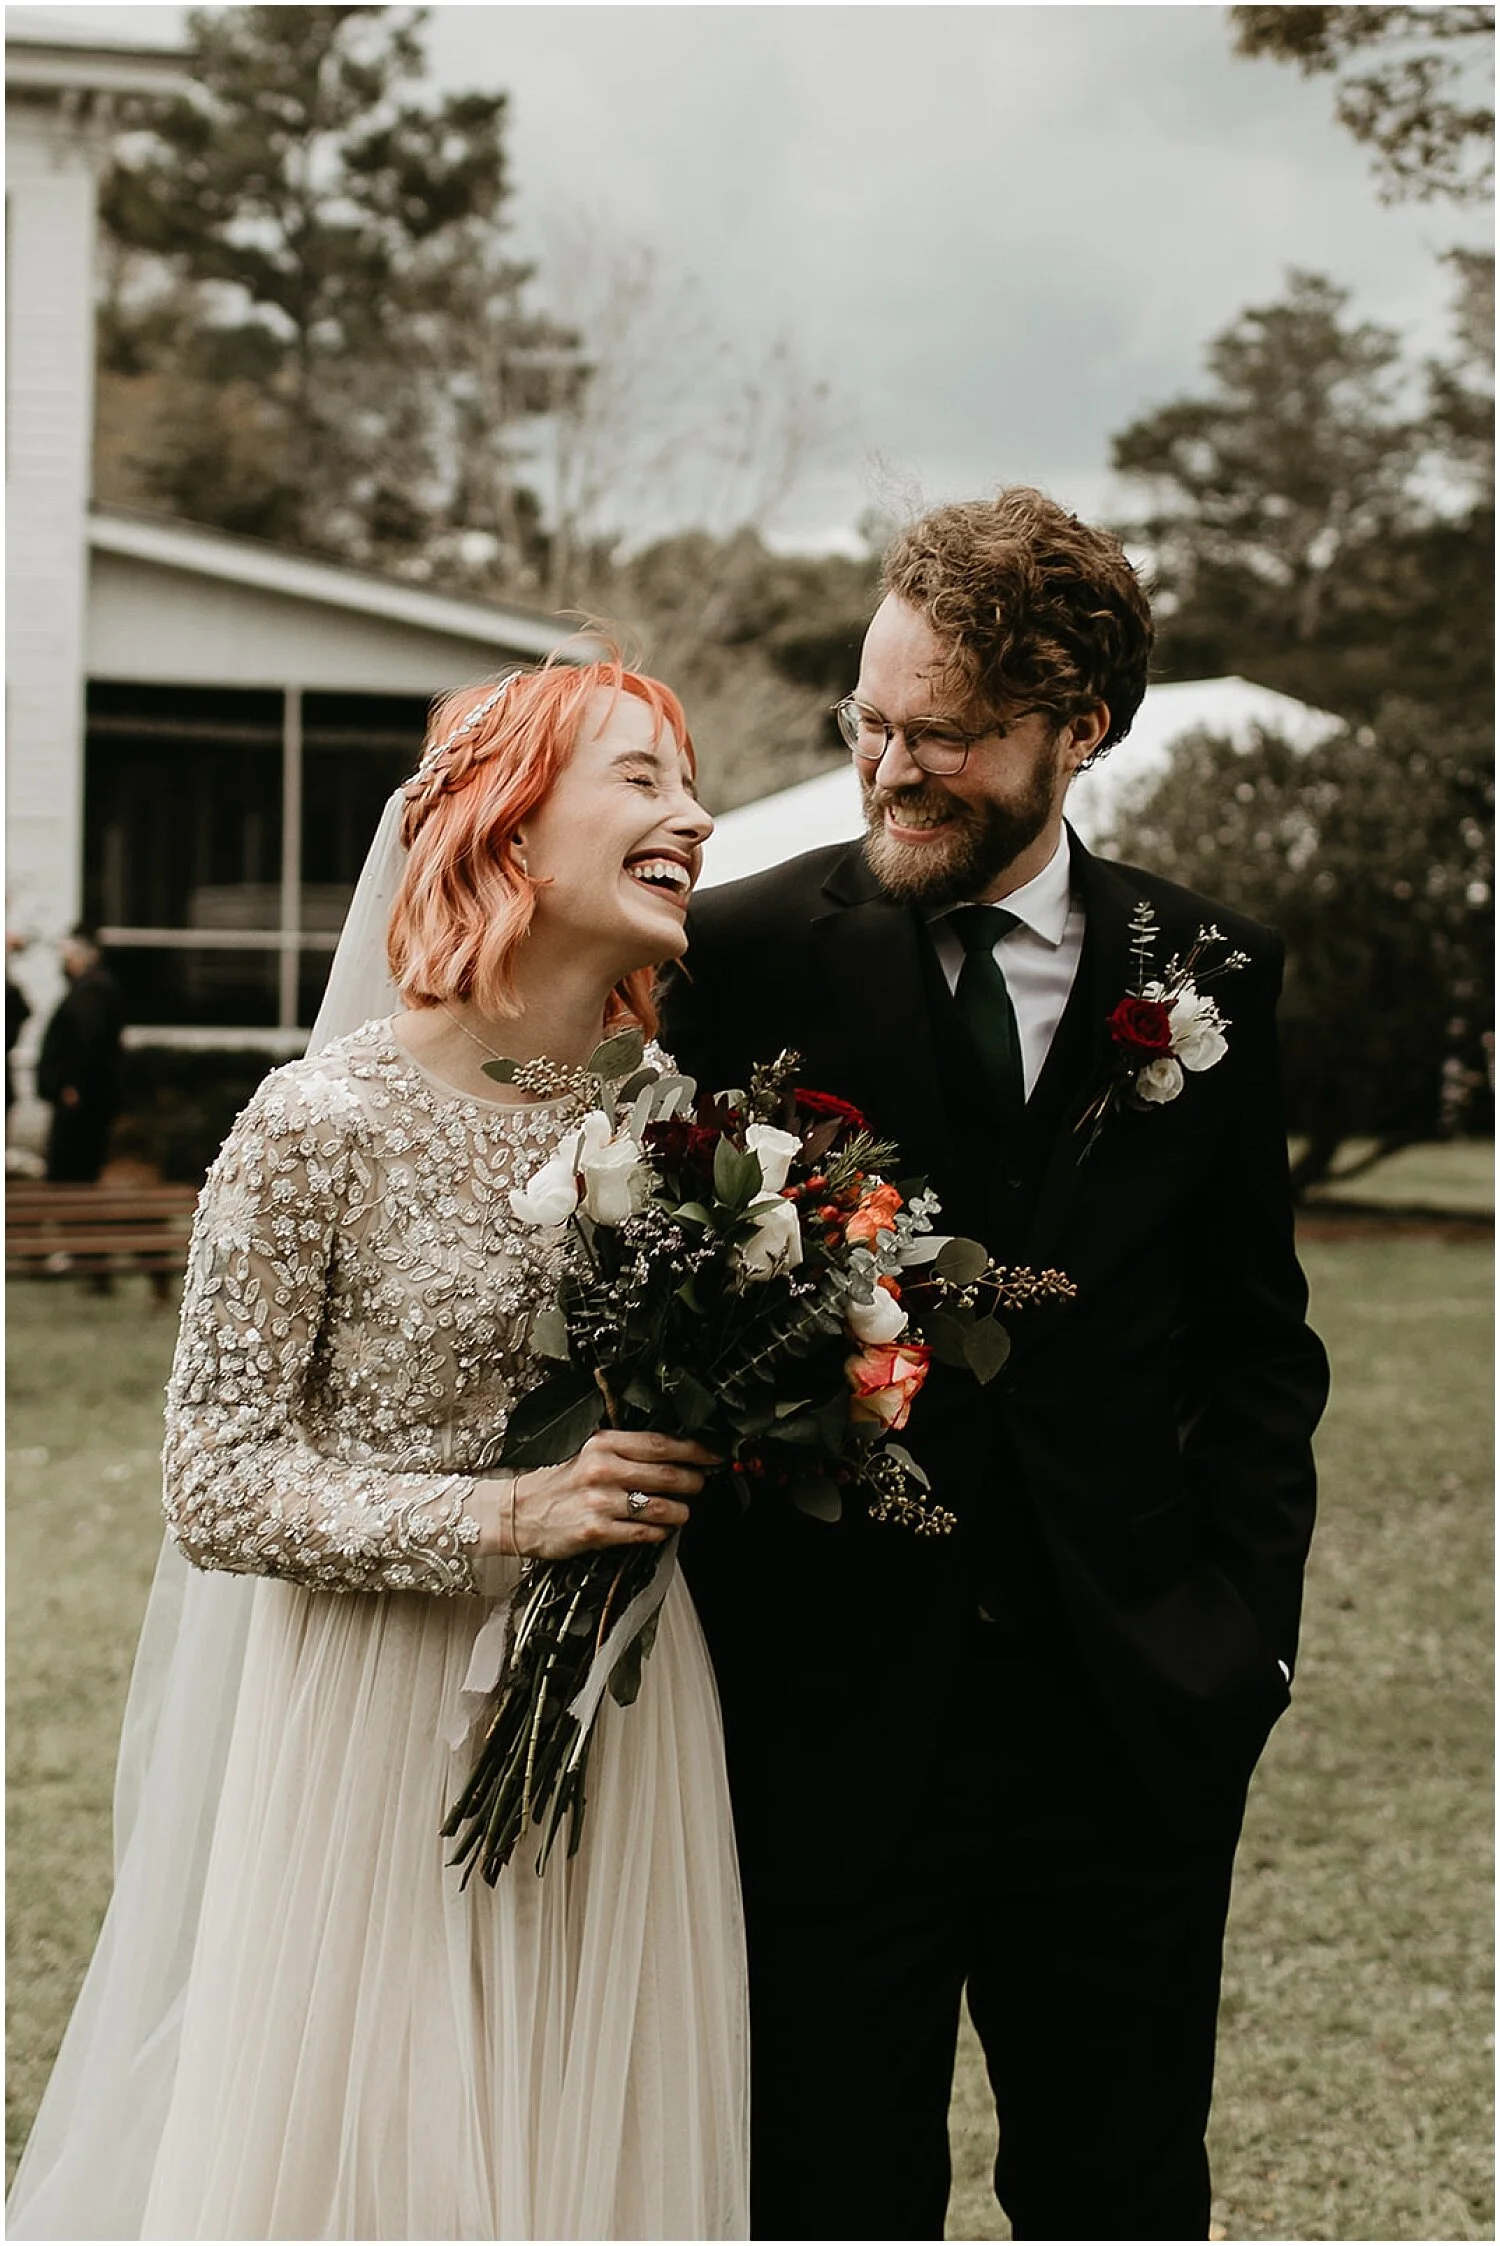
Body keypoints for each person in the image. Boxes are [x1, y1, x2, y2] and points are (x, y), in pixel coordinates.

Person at [7, 656, 749, 2240]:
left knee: (589, 2149)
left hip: (620, 1699)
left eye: (689, 782)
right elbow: (214, 1482)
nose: (694, 814)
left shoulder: (678, 1128)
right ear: (509, 823)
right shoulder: (317, 1123)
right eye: (641, 776)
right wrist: (507, 1514)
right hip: (375, 1718)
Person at [663, 487, 1331, 2243]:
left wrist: (1240, 1641)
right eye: (870, 720)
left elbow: (1257, 1347)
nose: (891, 768)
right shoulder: (738, 959)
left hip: (1126, 1719)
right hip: (824, 1727)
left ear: (1077, 730)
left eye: (945, 735)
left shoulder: (1211, 972)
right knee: (825, 2199)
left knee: (1122, 2196)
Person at [35, 925, 124, 1182]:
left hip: (82, 1093)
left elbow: (87, 1039)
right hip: (85, 1090)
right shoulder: (92, 987)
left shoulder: (92, 990)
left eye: (67, 958)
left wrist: (73, 1083)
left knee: (72, 1160)